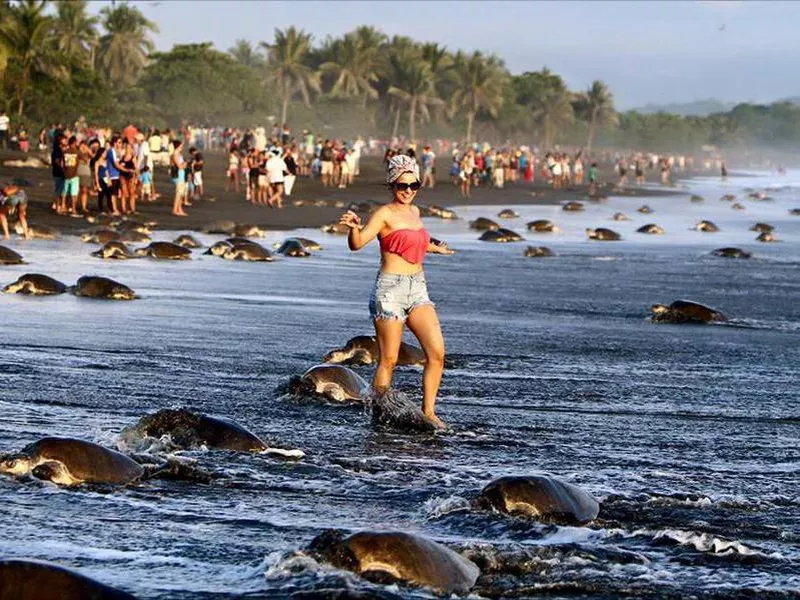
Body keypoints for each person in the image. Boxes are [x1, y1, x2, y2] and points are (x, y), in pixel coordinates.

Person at [338, 155, 450, 429]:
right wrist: (353, 229)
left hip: (418, 288)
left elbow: (412, 244)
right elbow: (358, 243)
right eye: (403, 186)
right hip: (390, 291)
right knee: (388, 359)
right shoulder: (384, 214)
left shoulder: (415, 212)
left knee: (436, 354)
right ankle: (378, 414)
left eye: (414, 185)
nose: (409, 190)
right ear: (392, 185)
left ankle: (429, 413)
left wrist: (436, 248)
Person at [61, 136, 80, 215]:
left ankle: (63, 206)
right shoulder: (77, 152)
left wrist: (64, 171)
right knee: (74, 193)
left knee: (65, 192)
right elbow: (86, 159)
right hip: (74, 175)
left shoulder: (65, 152)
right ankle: (73, 209)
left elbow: (62, 163)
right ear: (74, 143)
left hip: (66, 175)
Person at [169, 139, 188, 216]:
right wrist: (185, 164)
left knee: (180, 194)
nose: (182, 147)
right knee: (178, 194)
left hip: (181, 175)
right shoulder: (174, 155)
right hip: (177, 175)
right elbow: (179, 166)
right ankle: (174, 210)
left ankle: (179, 209)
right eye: (181, 146)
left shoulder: (179, 155)